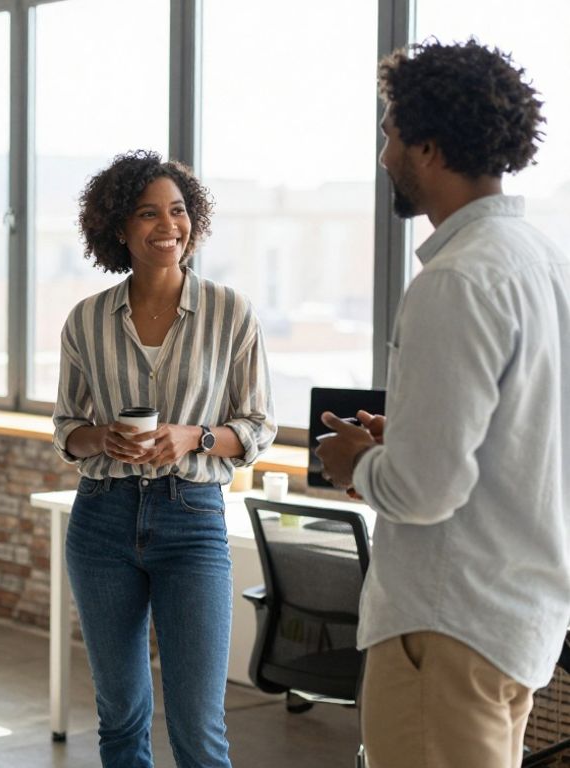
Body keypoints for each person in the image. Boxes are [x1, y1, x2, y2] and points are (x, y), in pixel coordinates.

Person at [316, 39, 570, 768]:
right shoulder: (546, 264)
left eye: (390, 133)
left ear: (427, 144)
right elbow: (529, 437)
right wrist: (411, 434)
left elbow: (424, 493)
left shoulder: (455, 282)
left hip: (446, 629)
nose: (384, 154)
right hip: (518, 623)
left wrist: (358, 462)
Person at [52, 151, 275, 767]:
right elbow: (67, 426)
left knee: (198, 725)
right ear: (118, 229)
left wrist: (195, 437)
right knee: (120, 717)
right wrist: (100, 439)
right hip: (102, 519)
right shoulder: (88, 319)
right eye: (148, 213)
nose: (167, 225)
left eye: (177, 211)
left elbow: (258, 426)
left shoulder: (231, 312)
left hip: (193, 519)